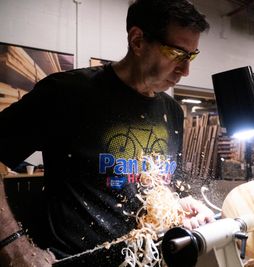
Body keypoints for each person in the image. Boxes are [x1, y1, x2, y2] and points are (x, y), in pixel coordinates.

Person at [0, 0, 214, 266]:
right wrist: (13, 244)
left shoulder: (172, 111)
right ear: (137, 41)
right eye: (176, 54)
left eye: (191, 56)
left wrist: (176, 205)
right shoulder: (66, 94)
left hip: (149, 258)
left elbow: (152, 183)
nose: (186, 70)